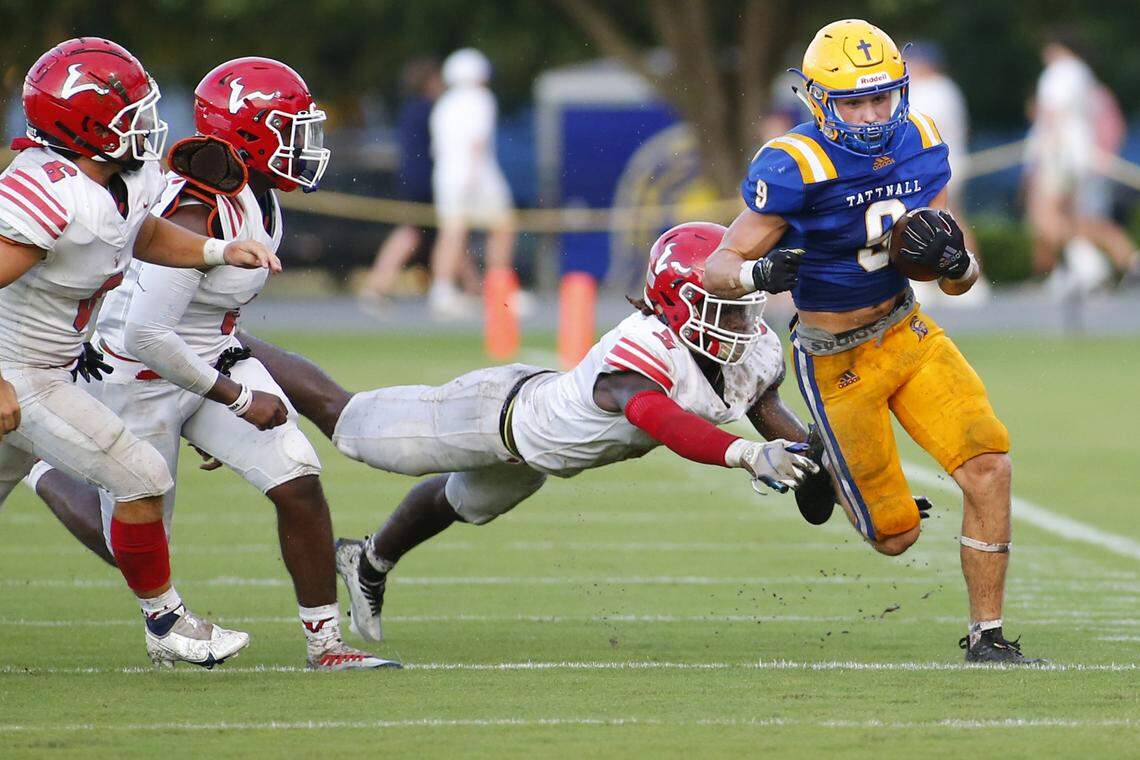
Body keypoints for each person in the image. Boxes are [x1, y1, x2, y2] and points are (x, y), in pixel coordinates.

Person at [237, 222, 831, 642]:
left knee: (462, 500)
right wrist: (749, 454)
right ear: (676, 303)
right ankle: (227, 337)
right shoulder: (641, 347)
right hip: (497, 413)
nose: (741, 319)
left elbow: (795, 452)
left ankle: (366, 561)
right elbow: (662, 421)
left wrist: (832, 474)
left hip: (540, 456)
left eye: (742, 304)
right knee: (347, 421)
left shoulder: (747, 353)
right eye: (723, 305)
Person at [29, 57, 397, 671]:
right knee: (137, 543)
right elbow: (147, 335)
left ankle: (326, 644)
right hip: (137, 373)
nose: (305, 143)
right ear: (249, 133)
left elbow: (200, 324)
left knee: (298, 478)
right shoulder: (199, 209)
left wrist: (219, 393)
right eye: (290, 128)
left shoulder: (251, 192)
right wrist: (235, 397)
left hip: (207, 353)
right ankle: (41, 468)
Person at [703, 20, 1042, 664]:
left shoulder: (921, 141)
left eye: (881, 96)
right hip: (836, 362)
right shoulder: (795, 162)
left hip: (909, 332)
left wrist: (955, 262)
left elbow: (960, 276)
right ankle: (821, 463)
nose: (870, 113)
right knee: (895, 536)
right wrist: (759, 273)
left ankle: (987, 638)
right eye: (853, 100)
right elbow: (718, 263)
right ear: (819, 101)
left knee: (989, 464)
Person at [0, 38, 279, 667]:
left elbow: (140, 231)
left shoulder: (120, 179)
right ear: (86, 124)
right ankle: (168, 624)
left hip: (48, 368)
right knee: (143, 476)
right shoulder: (50, 190)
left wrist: (215, 251)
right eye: (131, 112)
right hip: (21, 373)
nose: (147, 126)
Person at [1024, 28, 1140, 283]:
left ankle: (1089, 262)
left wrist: (1047, 150)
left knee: (1045, 217)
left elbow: (1053, 113)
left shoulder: (1058, 73)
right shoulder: (1083, 73)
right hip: (1082, 153)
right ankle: (1104, 260)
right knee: (1079, 217)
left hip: (1059, 153)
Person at [426, 48, 519, 332]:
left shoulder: (444, 104)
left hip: (446, 176)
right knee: (503, 227)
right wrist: (475, 180)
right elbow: (477, 143)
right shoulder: (480, 99)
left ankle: (442, 290)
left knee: (452, 233)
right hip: (477, 175)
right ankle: (498, 289)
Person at [906, 42, 989, 306]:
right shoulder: (941, 88)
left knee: (948, 216)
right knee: (934, 218)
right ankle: (930, 280)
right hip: (940, 162)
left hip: (939, 163)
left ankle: (971, 274)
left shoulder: (937, 89)